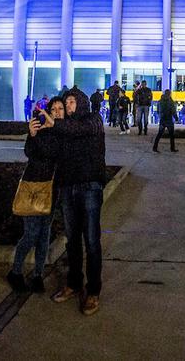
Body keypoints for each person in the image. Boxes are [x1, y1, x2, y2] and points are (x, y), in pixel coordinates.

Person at [49, 88, 107, 316]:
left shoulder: (93, 120)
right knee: (72, 240)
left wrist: (55, 124)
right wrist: (35, 136)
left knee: (92, 240)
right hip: (68, 188)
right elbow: (45, 152)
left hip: (89, 187)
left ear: (81, 102)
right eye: (66, 103)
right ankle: (74, 283)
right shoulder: (62, 127)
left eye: (72, 102)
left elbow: (79, 129)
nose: (68, 106)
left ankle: (93, 291)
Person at [11, 96, 66, 294]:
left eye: (61, 109)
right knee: (32, 233)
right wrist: (32, 135)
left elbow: (57, 154)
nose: (58, 112)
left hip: (52, 189)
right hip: (34, 186)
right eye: (55, 109)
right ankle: (15, 271)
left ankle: (37, 275)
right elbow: (29, 152)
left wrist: (45, 134)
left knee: (45, 235)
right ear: (49, 111)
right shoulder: (41, 132)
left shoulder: (64, 135)